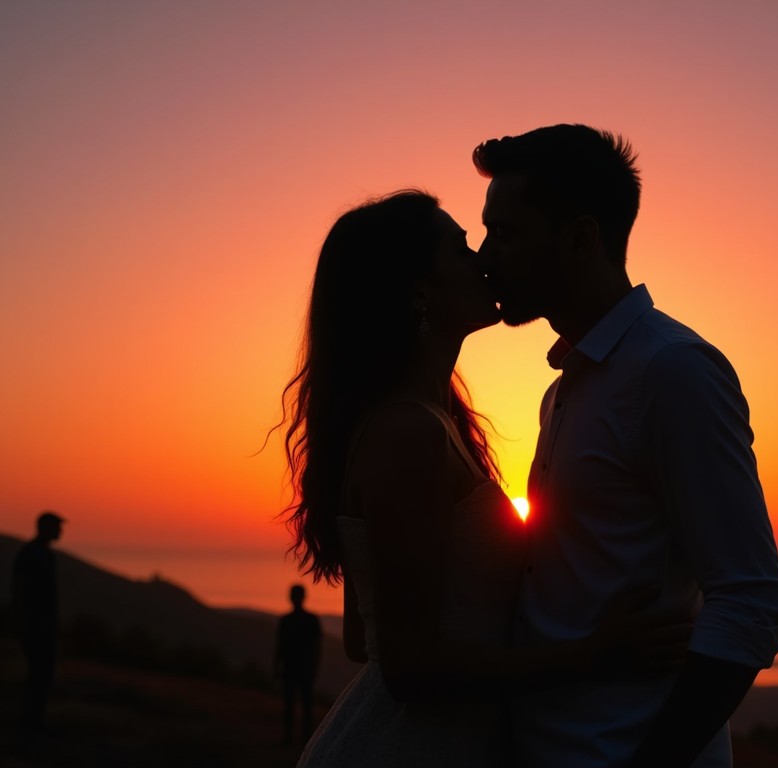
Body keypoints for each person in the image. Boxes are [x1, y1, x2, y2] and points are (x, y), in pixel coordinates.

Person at [279, 189, 685, 767]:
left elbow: (361, 636)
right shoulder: (407, 434)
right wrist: (592, 654)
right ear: (418, 288)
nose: (485, 259)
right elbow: (408, 667)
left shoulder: (431, 423)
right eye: (462, 247)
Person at [472, 123, 778, 767]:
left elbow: (755, 602)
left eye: (505, 234)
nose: (486, 256)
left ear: (580, 238)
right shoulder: (566, 388)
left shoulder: (672, 372)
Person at [10, 510, 65, 740]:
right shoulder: (32, 554)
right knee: (38, 675)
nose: (61, 531)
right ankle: (30, 724)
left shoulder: (43, 554)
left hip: (44, 626)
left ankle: (34, 721)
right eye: (57, 526)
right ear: (45, 528)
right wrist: (24, 624)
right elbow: (20, 591)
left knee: (42, 675)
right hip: (35, 626)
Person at [274, 584, 323, 745]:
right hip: (300, 667)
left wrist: (276, 666)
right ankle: (301, 739)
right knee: (299, 704)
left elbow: (280, 646)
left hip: (297, 667)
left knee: (297, 704)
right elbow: (280, 646)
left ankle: (296, 738)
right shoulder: (309, 620)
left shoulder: (288, 620)